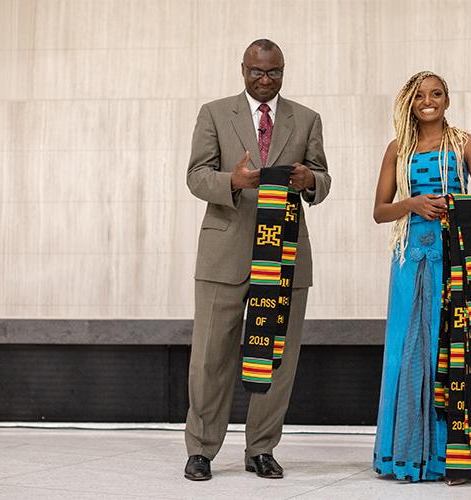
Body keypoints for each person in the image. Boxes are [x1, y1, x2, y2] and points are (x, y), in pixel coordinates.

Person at [184, 38, 331, 481]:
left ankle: (261, 449)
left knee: (277, 357)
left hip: (285, 254)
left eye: (274, 73)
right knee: (210, 356)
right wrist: (234, 180)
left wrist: (310, 180)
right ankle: (201, 451)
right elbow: (195, 176)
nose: (265, 80)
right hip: (224, 252)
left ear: (283, 71)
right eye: (256, 72)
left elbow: (322, 178)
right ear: (242, 69)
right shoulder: (214, 113)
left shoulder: (306, 119)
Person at [372, 71, 471, 484]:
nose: (428, 101)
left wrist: (451, 202)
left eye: (436, 94)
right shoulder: (398, 149)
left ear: (447, 100)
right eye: (420, 95)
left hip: (454, 257)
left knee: (451, 349)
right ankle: (408, 454)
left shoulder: (466, 143)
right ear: (410, 102)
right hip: (409, 257)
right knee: (407, 350)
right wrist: (411, 203)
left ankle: (457, 457)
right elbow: (379, 210)